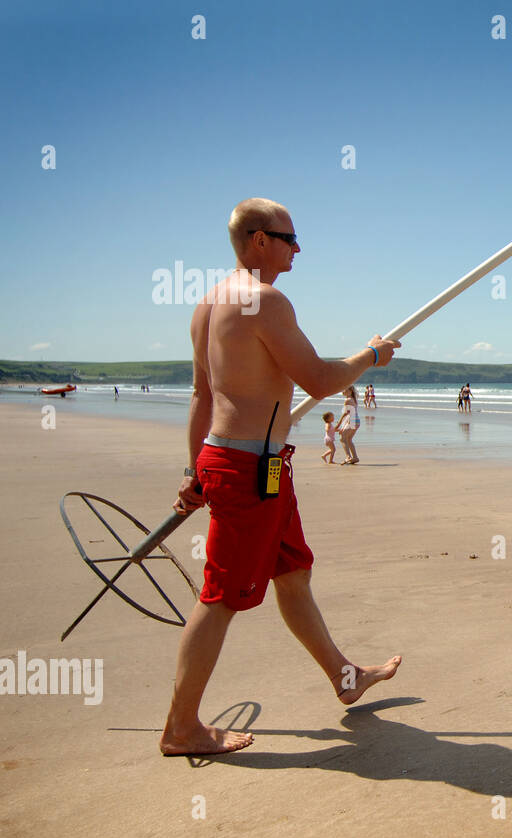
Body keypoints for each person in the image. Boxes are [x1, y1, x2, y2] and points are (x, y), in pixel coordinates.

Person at [164, 197, 401, 756]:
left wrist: (196, 469)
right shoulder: (264, 301)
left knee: (292, 573)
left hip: (253, 464)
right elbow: (319, 379)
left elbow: (202, 397)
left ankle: (346, 676)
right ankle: (181, 727)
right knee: (221, 596)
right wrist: (371, 354)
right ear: (257, 240)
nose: (299, 248)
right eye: (289, 238)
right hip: (248, 468)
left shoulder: (207, 305)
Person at [338, 385, 361, 464]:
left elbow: (345, 414)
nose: (343, 391)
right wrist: (343, 426)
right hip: (356, 421)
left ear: (350, 391)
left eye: (345, 390)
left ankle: (348, 456)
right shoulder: (354, 399)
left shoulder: (347, 400)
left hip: (352, 421)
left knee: (342, 438)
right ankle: (355, 457)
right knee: (348, 439)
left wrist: (339, 425)